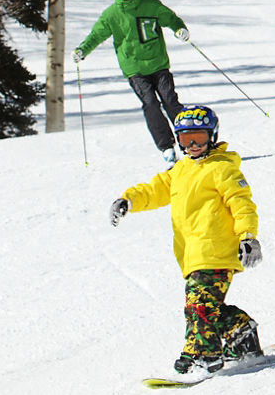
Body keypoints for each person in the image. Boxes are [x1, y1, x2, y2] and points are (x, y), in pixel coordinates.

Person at [108, 105, 265, 377]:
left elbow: (242, 204)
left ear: (212, 136)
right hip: (192, 254)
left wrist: (248, 237)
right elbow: (155, 190)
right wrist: (129, 199)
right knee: (205, 305)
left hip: (217, 250)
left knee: (198, 306)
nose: (192, 145)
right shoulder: (180, 170)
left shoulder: (222, 169)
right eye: (185, 139)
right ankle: (241, 334)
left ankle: (203, 355)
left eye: (199, 138)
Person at [73, 0, 191, 164]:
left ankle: (189, 141)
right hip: (134, 69)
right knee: (151, 104)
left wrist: (179, 29)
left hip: (158, 63)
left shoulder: (150, 5)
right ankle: (167, 147)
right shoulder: (112, 14)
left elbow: (170, 18)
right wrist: (82, 50)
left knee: (170, 101)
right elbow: (96, 35)